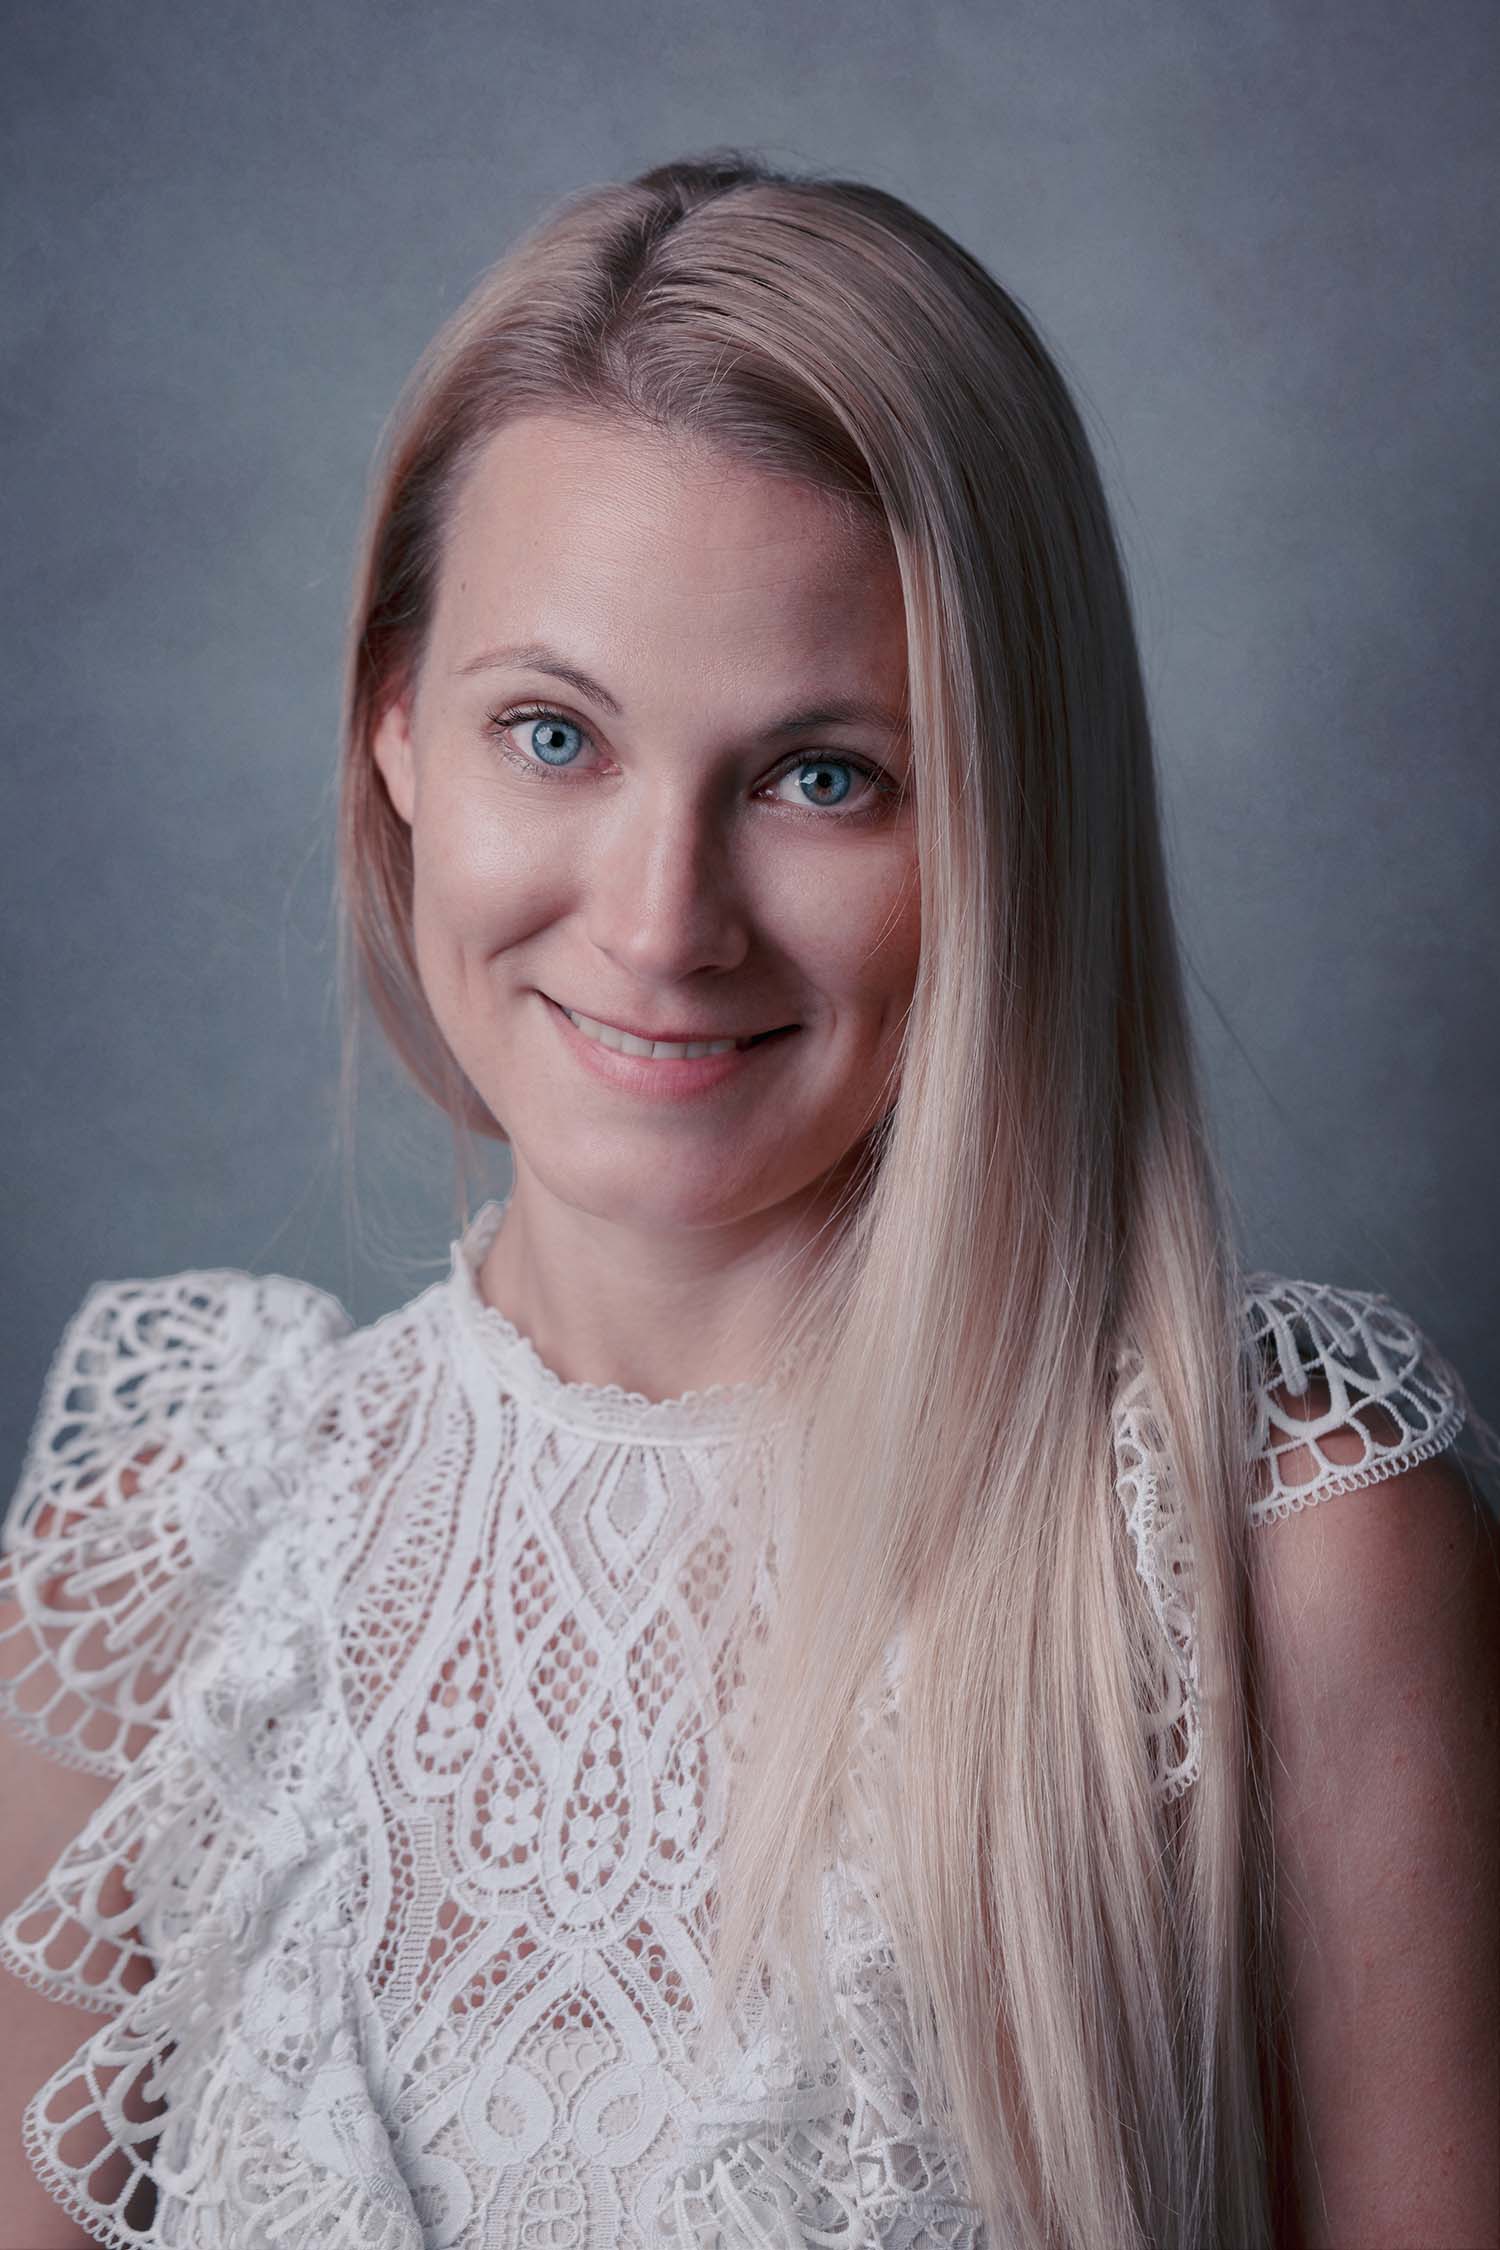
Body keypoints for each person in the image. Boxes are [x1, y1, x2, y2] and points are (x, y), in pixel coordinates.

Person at [1, 149, 1496, 2250]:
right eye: (553, 735)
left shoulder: (1275, 1547)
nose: (660, 919)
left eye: (824, 777)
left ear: (1008, 820)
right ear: (395, 737)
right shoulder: (150, 1598)